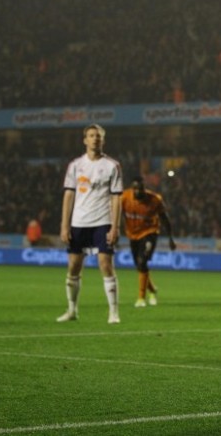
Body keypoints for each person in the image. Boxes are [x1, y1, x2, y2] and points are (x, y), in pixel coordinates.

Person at [57, 124, 123, 324]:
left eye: (99, 136)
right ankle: (72, 310)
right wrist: (64, 225)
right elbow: (69, 195)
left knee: (106, 265)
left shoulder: (112, 166)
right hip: (79, 222)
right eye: (91, 136)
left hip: (102, 221)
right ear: (85, 140)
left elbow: (116, 198)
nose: (95, 139)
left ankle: (113, 312)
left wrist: (115, 226)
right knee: (74, 266)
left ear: (103, 140)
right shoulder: (76, 165)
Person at [121, 176, 177, 308]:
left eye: (141, 189)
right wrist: (115, 230)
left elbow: (164, 218)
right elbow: (116, 213)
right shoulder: (124, 198)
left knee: (142, 261)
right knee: (140, 266)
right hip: (132, 234)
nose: (138, 192)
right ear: (132, 189)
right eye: (136, 189)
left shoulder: (155, 200)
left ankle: (141, 298)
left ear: (144, 188)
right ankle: (152, 290)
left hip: (149, 233)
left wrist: (170, 238)